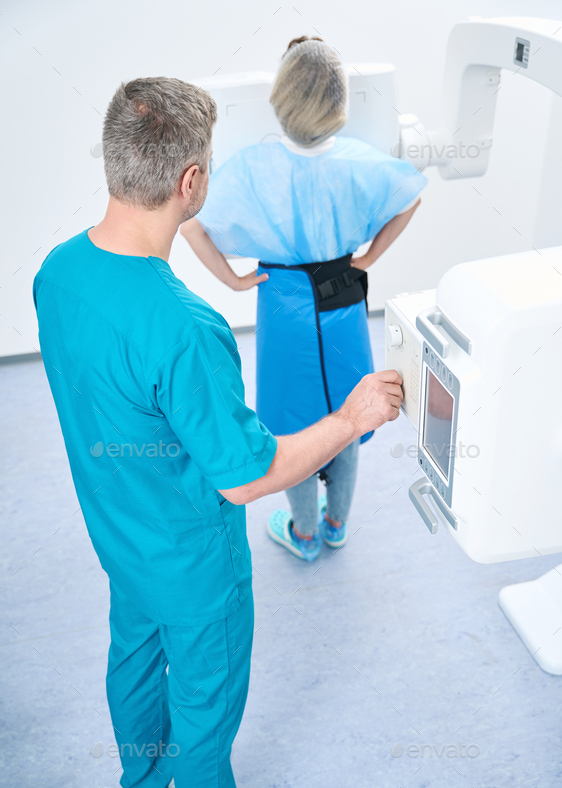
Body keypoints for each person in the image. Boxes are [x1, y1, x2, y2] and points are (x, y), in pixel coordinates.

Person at [33, 77, 404, 788]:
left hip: (119, 530)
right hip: (194, 557)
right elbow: (248, 475)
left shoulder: (55, 273)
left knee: (133, 647)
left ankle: (142, 780)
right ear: (190, 183)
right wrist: (352, 418)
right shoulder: (188, 328)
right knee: (206, 690)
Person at [181, 36, 426, 562]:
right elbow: (411, 197)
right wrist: (369, 257)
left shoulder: (249, 168)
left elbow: (192, 225)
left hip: (282, 304)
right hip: (342, 299)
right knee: (349, 409)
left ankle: (305, 532)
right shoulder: (362, 163)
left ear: (279, 101)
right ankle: (337, 524)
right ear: (340, 106)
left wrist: (234, 281)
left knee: (292, 421)